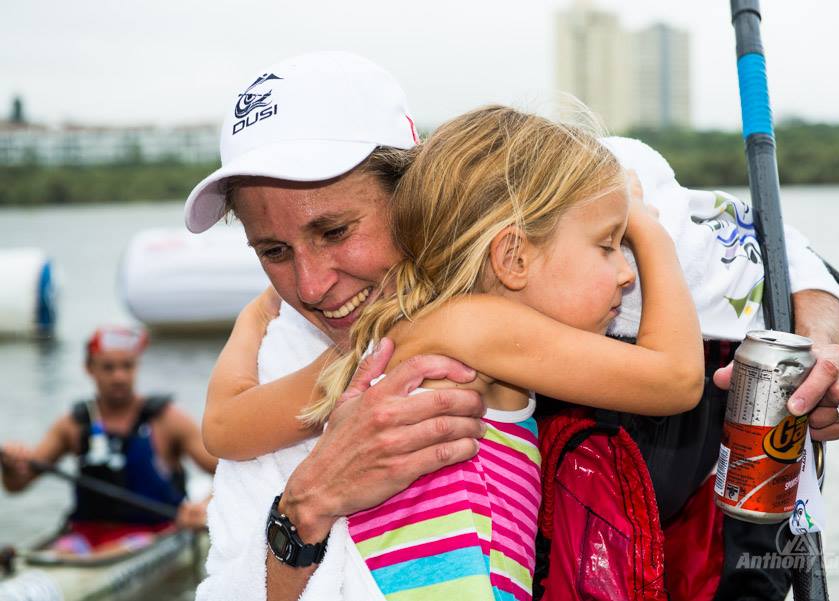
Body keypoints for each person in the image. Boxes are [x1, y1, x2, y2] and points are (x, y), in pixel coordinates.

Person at [183, 52, 839, 601]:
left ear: (419, 186)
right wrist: (304, 500)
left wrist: (823, 347)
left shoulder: (552, 208)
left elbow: (777, 255)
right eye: (272, 253)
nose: (307, 284)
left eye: (335, 230)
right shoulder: (457, 321)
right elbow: (674, 378)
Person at [204, 105, 705, 599]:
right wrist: (648, 229)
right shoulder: (474, 327)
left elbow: (226, 426)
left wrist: (250, 324)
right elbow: (676, 380)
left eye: (623, 243)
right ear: (512, 258)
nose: (626, 272)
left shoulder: (402, 329)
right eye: (607, 245)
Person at [0, 326, 217, 555]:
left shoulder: (168, 420)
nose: (119, 377)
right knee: (61, 554)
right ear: (89, 369)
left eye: (127, 366)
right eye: (108, 367)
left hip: (152, 532)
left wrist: (203, 507)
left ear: (137, 367)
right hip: (85, 535)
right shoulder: (73, 424)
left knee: (107, 552)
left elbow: (227, 470)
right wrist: (10, 466)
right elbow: (17, 486)